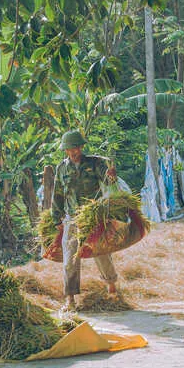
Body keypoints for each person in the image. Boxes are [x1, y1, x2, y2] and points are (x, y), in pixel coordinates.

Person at [51, 130, 119, 311]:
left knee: (102, 252)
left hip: (93, 216)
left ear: (81, 147)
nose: (73, 152)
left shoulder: (95, 163)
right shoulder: (62, 168)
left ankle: (111, 286)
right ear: (65, 150)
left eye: (76, 147)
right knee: (70, 259)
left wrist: (111, 175)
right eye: (69, 149)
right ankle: (70, 299)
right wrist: (56, 217)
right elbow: (57, 194)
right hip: (71, 219)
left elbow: (109, 179)